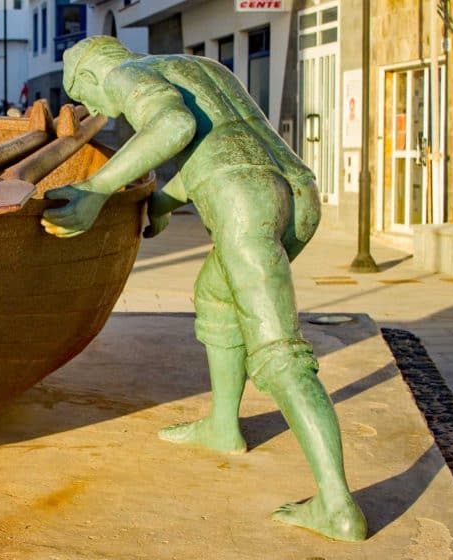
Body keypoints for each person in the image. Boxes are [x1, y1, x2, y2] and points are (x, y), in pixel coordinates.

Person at [40, 36, 367, 542]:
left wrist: (95, 191)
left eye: (83, 98)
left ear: (86, 76)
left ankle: (337, 505)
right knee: (215, 296)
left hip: (245, 201)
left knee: (280, 355)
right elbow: (222, 144)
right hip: (297, 192)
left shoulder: (122, 77)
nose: (93, 109)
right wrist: (166, 203)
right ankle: (222, 426)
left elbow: (174, 125)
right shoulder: (199, 66)